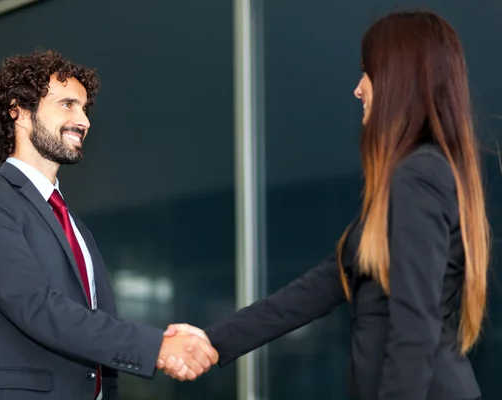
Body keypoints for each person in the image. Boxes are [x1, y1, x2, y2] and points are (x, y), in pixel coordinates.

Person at [161, 10, 489, 400]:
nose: (358, 88)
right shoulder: (413, 178)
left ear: (399, 78)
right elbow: (317, 289)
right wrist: (213, 341)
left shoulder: (417, 176)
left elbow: (414, 331)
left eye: (367, 72)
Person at [0, 50, 218, 400]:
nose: (84, 120)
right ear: (19, 110)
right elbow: (37, 306)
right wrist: (156, 348)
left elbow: (90, 325)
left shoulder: (74, 227)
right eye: (67, 104)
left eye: (85, 108)